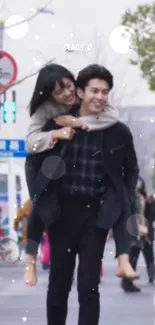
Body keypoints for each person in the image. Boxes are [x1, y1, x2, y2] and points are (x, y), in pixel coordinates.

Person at [24, 64, 139, 325]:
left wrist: (121, 197)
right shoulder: (57, 125)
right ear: (80, 92)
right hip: (62, 216)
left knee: (89, 288)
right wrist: (41, 196)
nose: (99, 97)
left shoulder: (118, 131)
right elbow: (33, 159)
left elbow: (131, 170)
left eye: (105, 92)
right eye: (94, 91)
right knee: (58, 286)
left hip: (94, 218)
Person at [121, 177, 155, 292]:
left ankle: (150, 276)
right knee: (133, 257)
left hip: (143, 232)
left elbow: (149, 215)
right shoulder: (132, 198)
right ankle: (127, 282)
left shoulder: (145, 198)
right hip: (136, 232)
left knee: (146, 256)